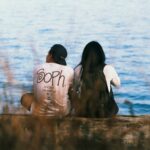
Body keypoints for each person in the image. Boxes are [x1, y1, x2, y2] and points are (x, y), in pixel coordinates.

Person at [21, 44, 74, 117]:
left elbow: (36, 92)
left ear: (50, 55)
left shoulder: (37, 68)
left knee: (24, 98)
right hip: (61, 113)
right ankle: (66, 119)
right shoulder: (69, 70)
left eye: (47, 54)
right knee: (71, 94)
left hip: (39, 113)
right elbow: (71, 91)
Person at [71, 41, 120, 117]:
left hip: (86, 112)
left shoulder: (78, 69)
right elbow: (117, 85)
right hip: (106, 112)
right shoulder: (107, 68)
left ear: (84, 55)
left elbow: (75, 88)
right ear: (101, 55)